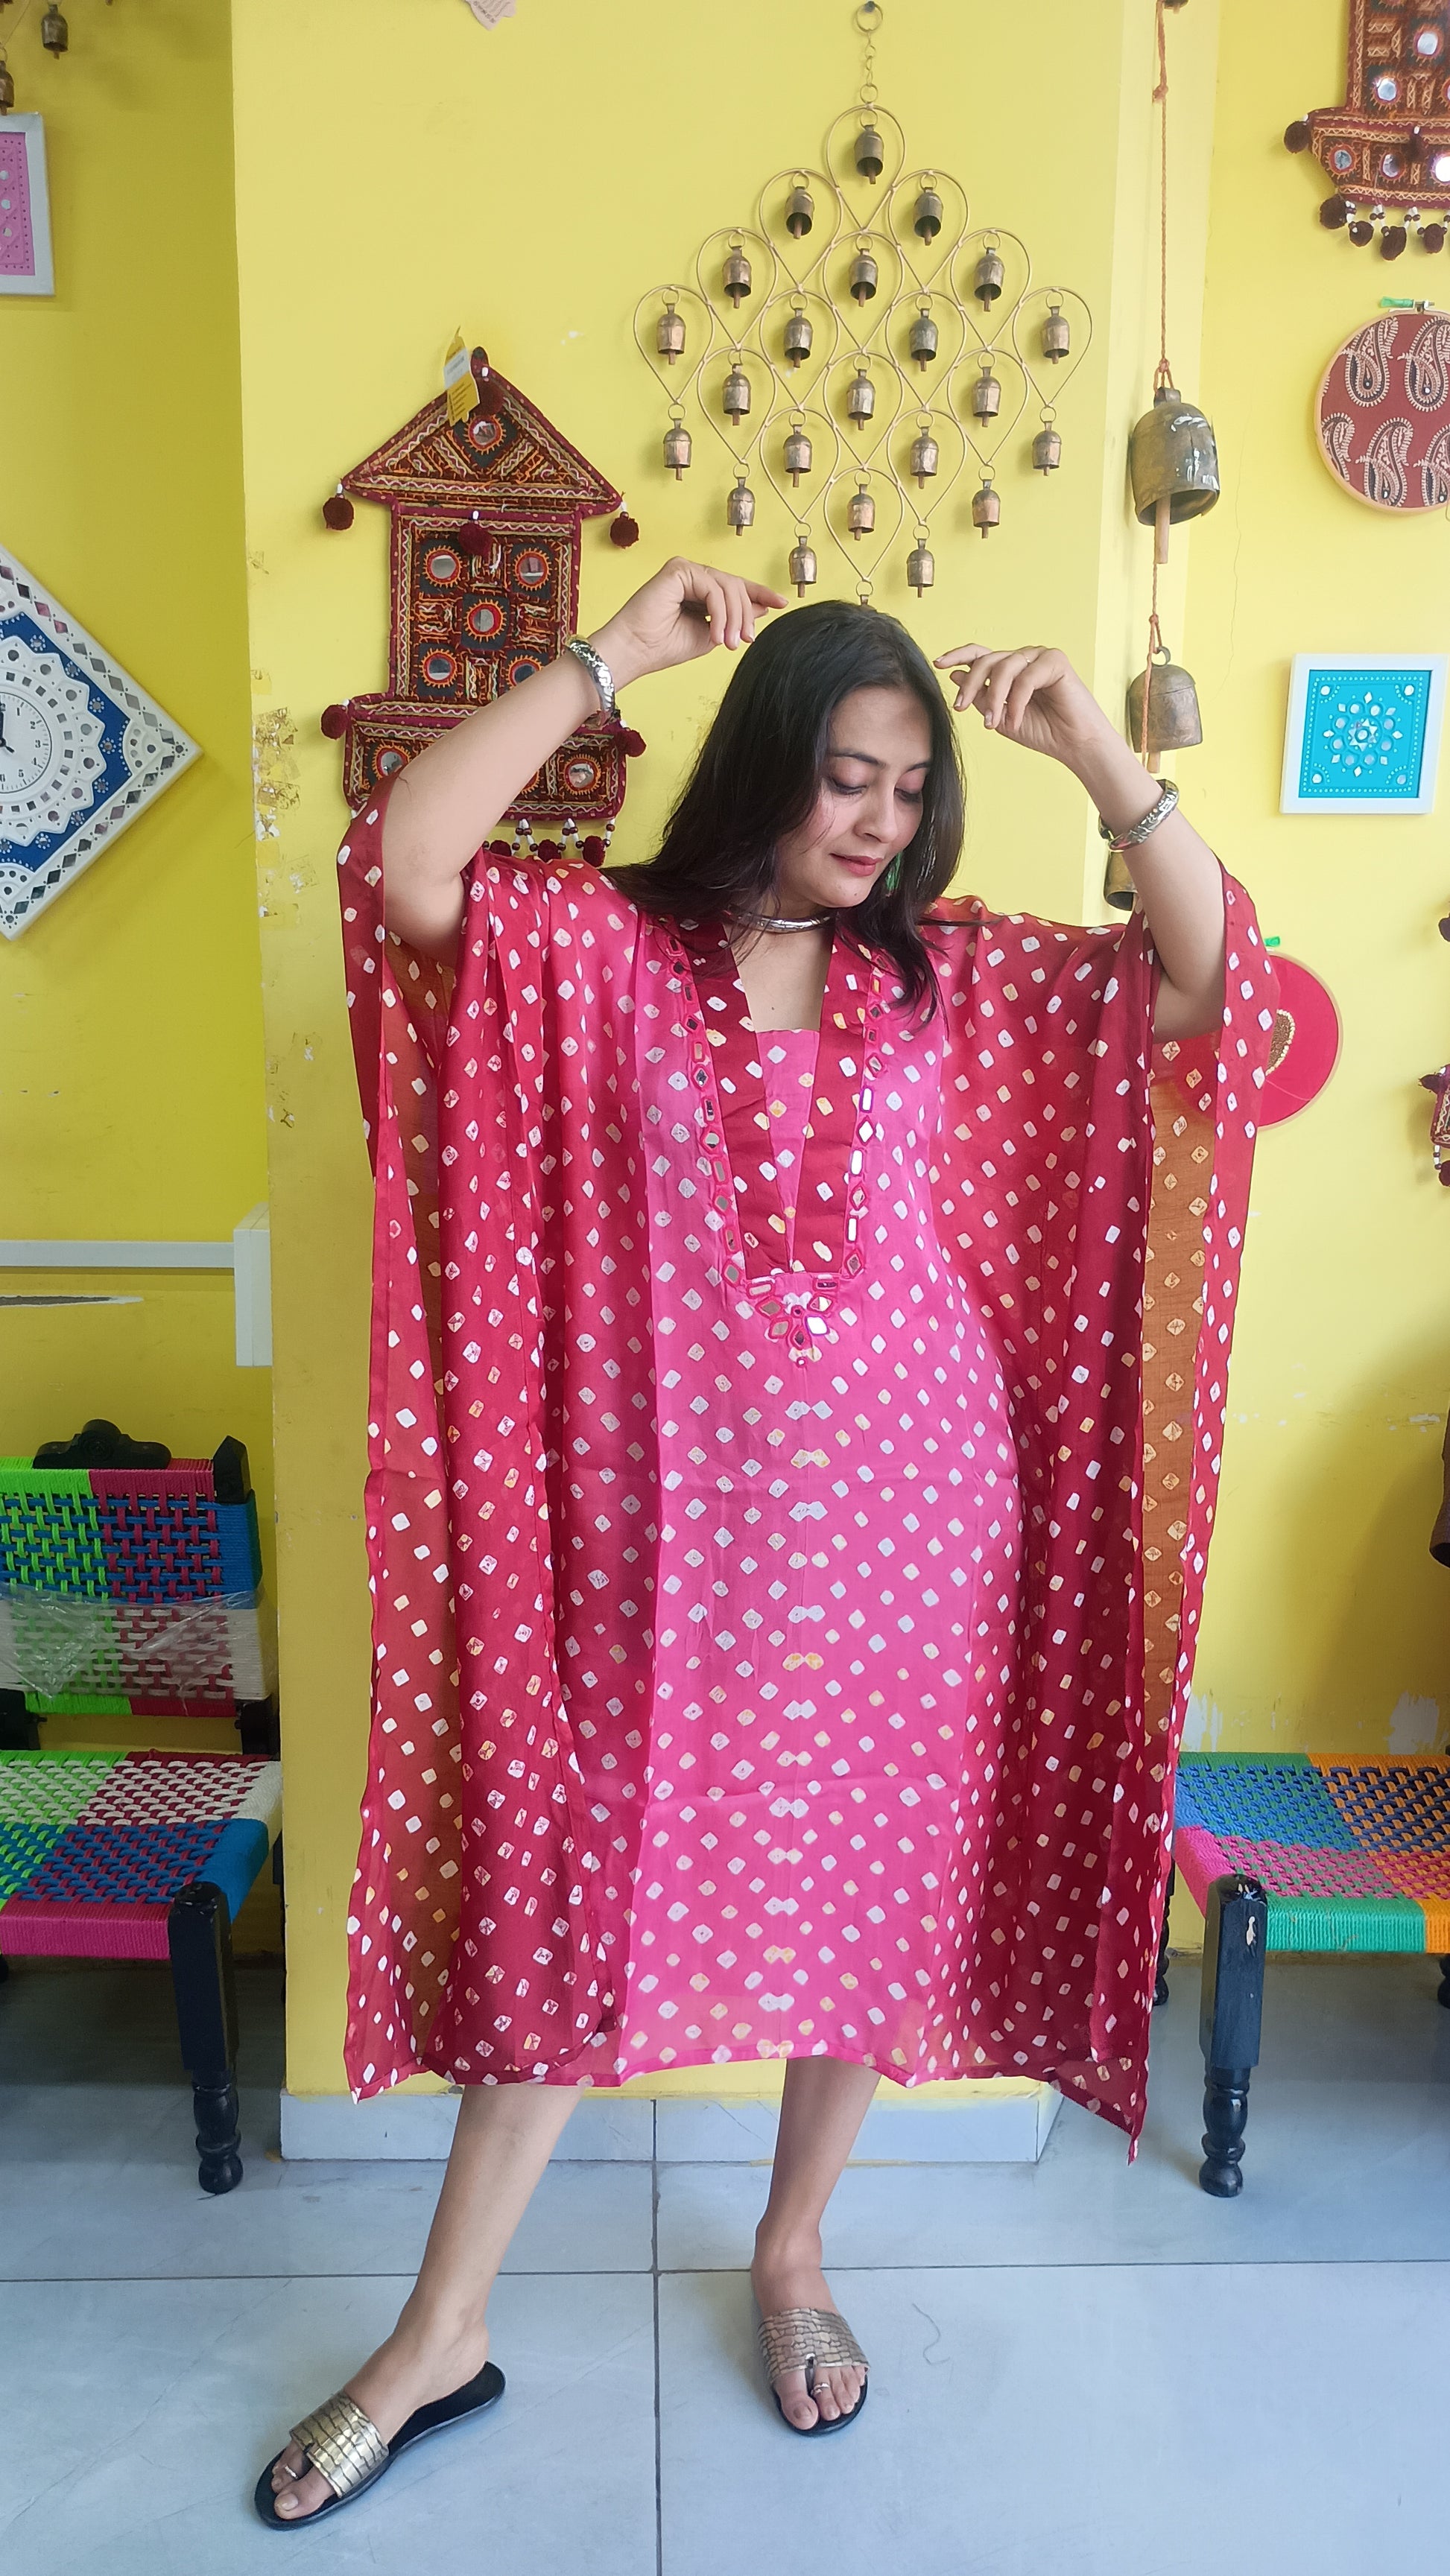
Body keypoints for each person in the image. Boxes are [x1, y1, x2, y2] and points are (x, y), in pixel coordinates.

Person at [257, 559, 1270, 2525]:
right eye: (843, 776)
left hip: (916, 1522)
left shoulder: (950, 975)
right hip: (668, 1534)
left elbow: (1215, 979)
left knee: (864, 1886)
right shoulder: (601, 946)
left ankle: (793, 2248)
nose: (877, 820)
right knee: (584, 1885)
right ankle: (439, 2329)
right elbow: (407, 861)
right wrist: (611, 656)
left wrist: (1095, 751)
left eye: (910, 787)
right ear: (760, 764)